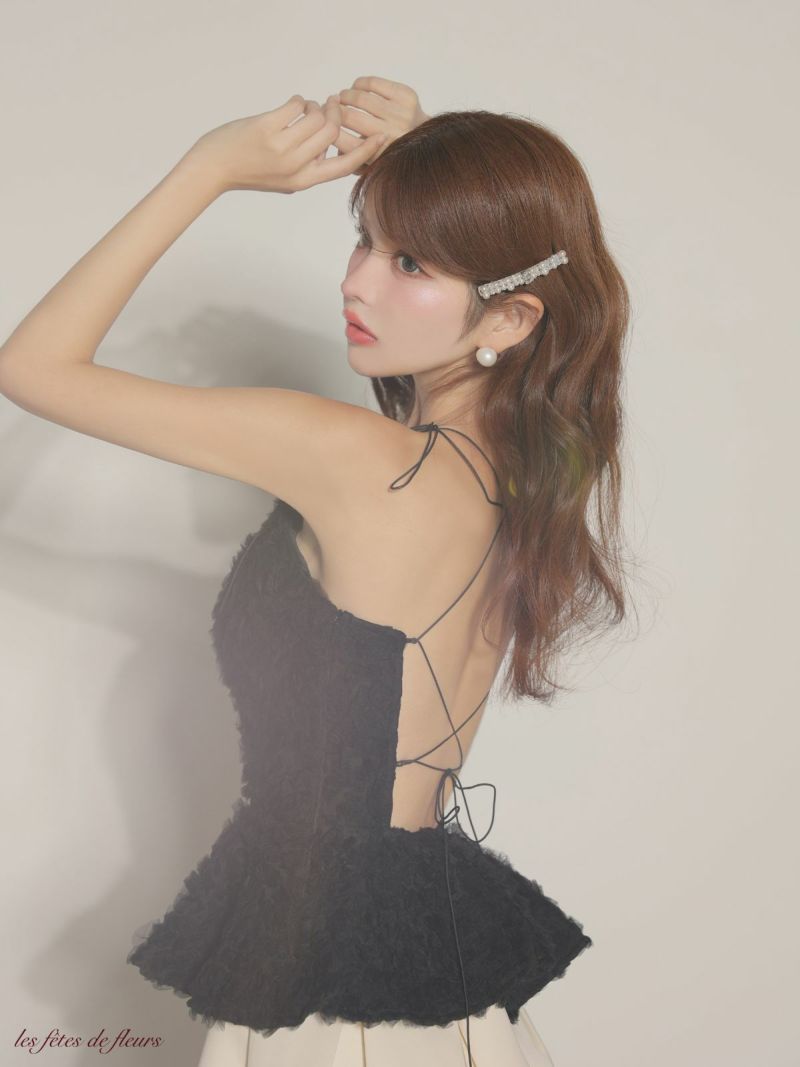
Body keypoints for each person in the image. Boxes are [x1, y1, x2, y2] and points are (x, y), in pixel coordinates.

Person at [0, 76, 632, 1066]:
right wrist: (434, 167)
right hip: (428, 977)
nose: (359, 283)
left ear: (509, 321)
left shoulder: (350, 456)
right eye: (365, 241)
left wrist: (209, 168)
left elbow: (33, 365)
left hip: (331, 999)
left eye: (409, 263)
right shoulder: (519, 479)